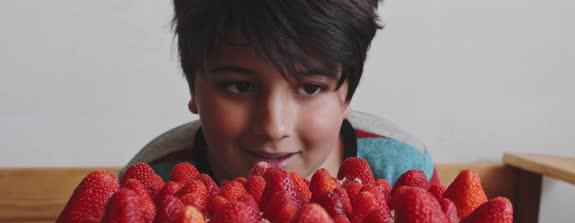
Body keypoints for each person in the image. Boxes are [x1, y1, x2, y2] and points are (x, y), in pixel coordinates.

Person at [125, 0, 440, 186]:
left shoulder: (403, 173)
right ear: (194, 86)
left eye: (310, 88)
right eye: (240, 86)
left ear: (347, 94)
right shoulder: (152, 180)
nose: (274, 127)